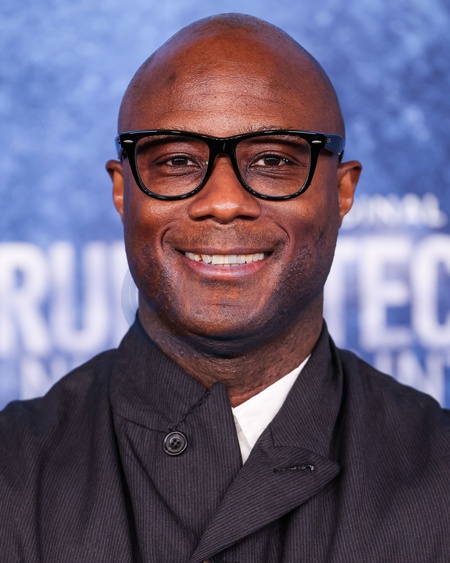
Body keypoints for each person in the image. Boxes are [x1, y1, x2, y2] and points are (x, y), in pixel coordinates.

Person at [1, 13, 449, 563]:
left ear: (342, 191)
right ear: (123, 191)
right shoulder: (12, 473)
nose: (224, 202)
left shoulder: (440, 473)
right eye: (177, 161)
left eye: (272, 160)